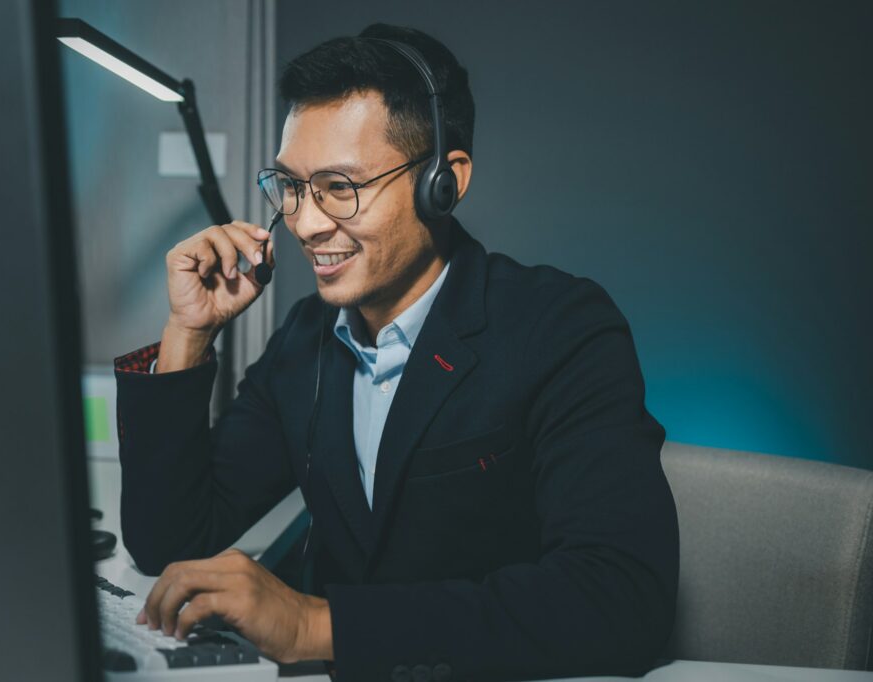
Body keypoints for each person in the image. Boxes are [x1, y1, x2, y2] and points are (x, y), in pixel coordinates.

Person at [114, 23, 678, 682]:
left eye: (340, 187)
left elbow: (621, 598)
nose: (304, 222)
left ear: (444, 181)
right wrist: (189, 334)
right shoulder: (304, 339)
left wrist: (316, 625)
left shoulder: (561, 328)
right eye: (291, 186)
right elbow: (169, 542)